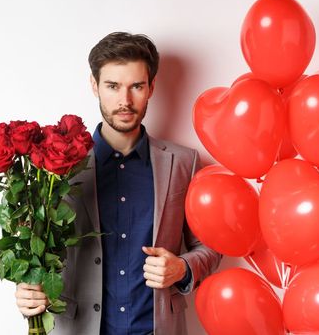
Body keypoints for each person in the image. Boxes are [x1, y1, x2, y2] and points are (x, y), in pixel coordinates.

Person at [14, 32, 222, 334]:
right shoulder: (57, 167)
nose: (125, 101)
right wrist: (27, 290)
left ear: (151, 87)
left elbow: (211, 246)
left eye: (136, 86)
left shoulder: (184, 162)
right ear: (95, 85)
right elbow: (35, 249)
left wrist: (183, 267)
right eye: (113, 86)